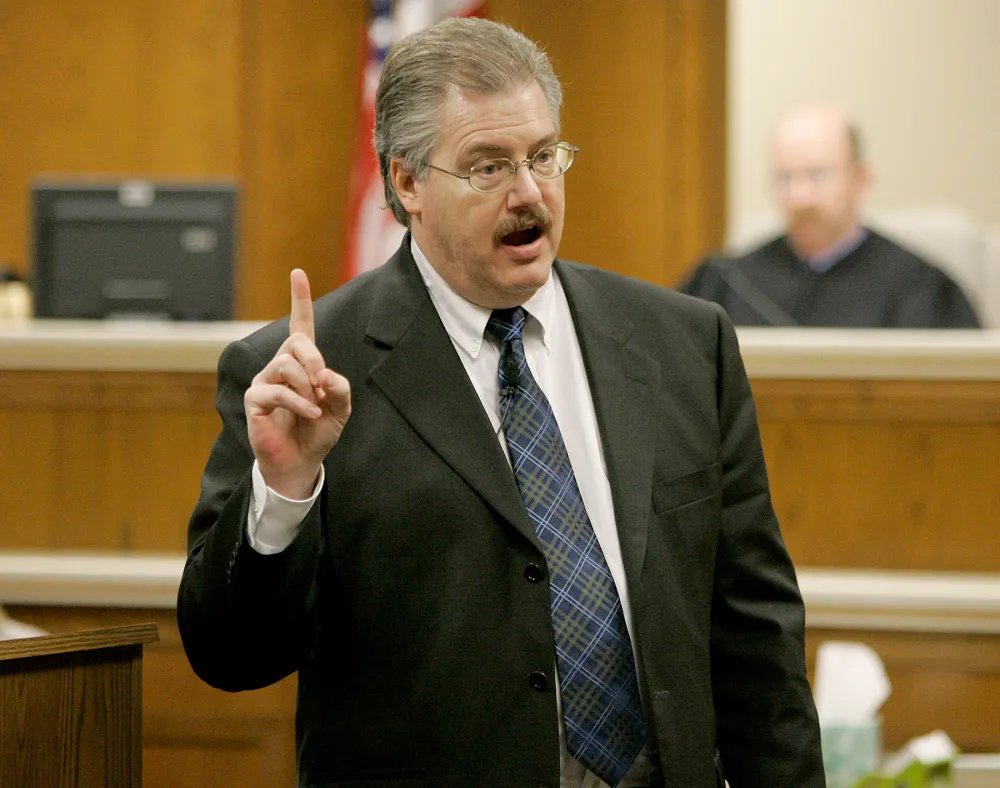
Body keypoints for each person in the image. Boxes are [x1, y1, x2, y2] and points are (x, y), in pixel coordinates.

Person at [177, 17, 824, 788]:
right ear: (407, 182)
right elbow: (229, 657)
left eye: (544, 156)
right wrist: (284, 490)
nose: (530, 194)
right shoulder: (305, 375)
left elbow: (757, 635)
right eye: (488, 168)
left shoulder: (684, 344)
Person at [680, 104, 980, 328]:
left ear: (861, 179)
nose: (800, 197)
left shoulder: (919, 286)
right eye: (784, 178)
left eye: (817, 175)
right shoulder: (730, 281)